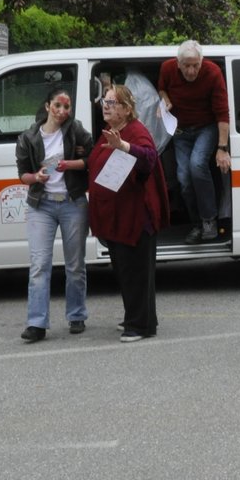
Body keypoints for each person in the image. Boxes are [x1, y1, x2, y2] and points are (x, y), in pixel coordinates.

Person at [87, 83, 169, 342]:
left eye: (112, 103)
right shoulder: (111, 131)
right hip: (115, 216)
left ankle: (139, 326)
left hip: (135, 218)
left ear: (126, 108)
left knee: (135, 272)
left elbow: (149, 158)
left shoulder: (135, 132)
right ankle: (139, 317)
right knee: (125, 270)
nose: (106, 107)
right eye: (105, 102)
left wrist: (124, 147)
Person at [15, 87, 95, 341]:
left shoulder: (76, 129)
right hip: (42, 204)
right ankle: (37, 323)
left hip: (73, 202)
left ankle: (76, 315)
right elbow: (23, 175)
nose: (62, 111)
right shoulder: (28, 137)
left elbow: (94, 157)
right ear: (48, 106)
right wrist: (36, 177)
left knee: (75, 264)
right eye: (58, 106)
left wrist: (71, 163)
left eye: (67, 107)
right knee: (39, 264)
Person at [158, 40, 231, 244]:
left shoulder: (213, 72)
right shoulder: (167, 68)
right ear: (178, 63)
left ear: (201, 61)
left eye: (195, 65)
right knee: (183, 178)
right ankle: (196, 223)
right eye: (187, 66)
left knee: (197, 166)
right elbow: (162, 88)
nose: (191, 71)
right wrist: (165, 99)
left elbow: (222, 113)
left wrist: (222, 149)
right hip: (180, 131)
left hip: (205, 128)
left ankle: (209, 221)